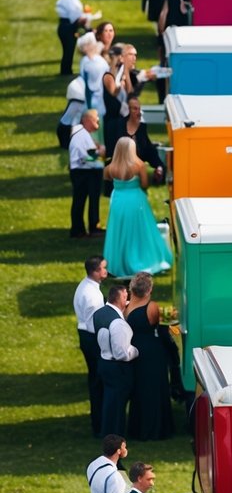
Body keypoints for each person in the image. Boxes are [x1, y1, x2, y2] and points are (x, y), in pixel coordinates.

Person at [103, 136, 172, 279]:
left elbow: (107, 179)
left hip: (118, 201)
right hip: (135, 200)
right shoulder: (139, 165)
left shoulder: (110, 167)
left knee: (118, 231)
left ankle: (119, 262)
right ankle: (142, 259)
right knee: (140, 231)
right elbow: (145, 184)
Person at [126, 272, 174, 441]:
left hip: (135, 350)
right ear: (149, 290)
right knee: (155, 388)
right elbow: (162, 327)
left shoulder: (127, 307)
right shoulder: (151, 307)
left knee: (140, 389)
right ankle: (156, 429)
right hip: (152, 351)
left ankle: (139, 427)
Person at [94, 283, 139, 439]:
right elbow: (122, 354)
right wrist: (136, 351)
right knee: (118, 407)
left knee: (109, 403)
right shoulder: (118, 324)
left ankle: (106, 433)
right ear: (120, 299)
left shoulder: (99, 313)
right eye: (126, 297)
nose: (128, 301)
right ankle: (115, 438)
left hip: (104, 362)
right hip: (117, 368)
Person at [74, 254, 108, 434]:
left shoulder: (85, 285)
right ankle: (99, 423)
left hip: (85, 334)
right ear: (95, 272)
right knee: (98, 380)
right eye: (103, 268)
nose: (106, 271)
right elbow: (94, 324)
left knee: (94, 379)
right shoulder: (92, 296)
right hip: (91, 337)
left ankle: (98, 421)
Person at [68, 107, 104, 240]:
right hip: (84, 172)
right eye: (96, 120)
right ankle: (79, 230)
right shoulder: (80, 134)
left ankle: (87, 227)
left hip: (85, 171)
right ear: (88, 120)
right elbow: (85, 157)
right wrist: (97, 154)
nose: (98, 124)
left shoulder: (83, 134)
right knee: (80, 200)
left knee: (82, 200)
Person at [55, 0, 94, 76]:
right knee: (68, 50)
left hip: (67, 26)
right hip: (68, 27)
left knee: (69, 51)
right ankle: (66, 72)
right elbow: (75, 18)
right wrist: (86, 18)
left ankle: (66, 70)